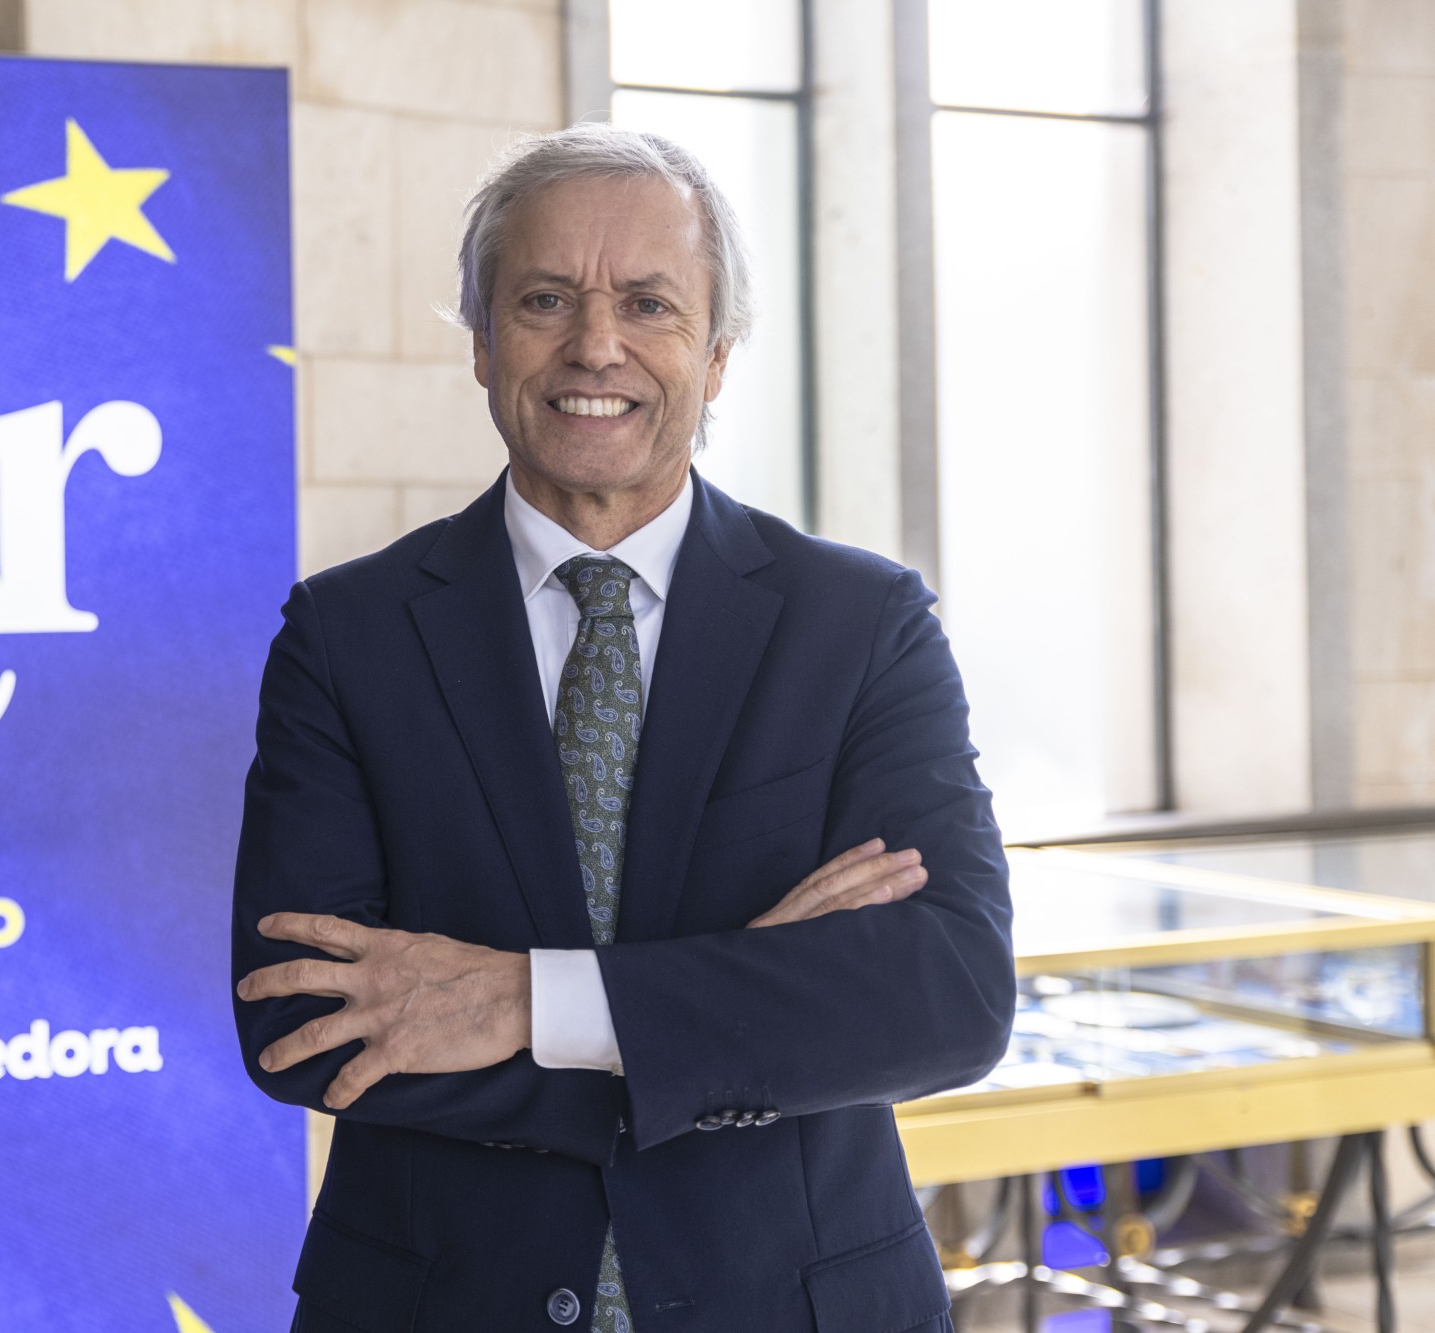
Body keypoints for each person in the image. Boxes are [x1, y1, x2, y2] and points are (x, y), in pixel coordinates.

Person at [231, 123, 1013, 1333]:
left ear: (716, 355)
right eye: (544, 299)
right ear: (482, 343)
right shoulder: (346, 635)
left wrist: (524, 1002)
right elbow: (301, 1023)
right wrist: (739, 1011)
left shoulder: (861, 625)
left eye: (648, 304)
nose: (594, 345)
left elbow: (946, 994)